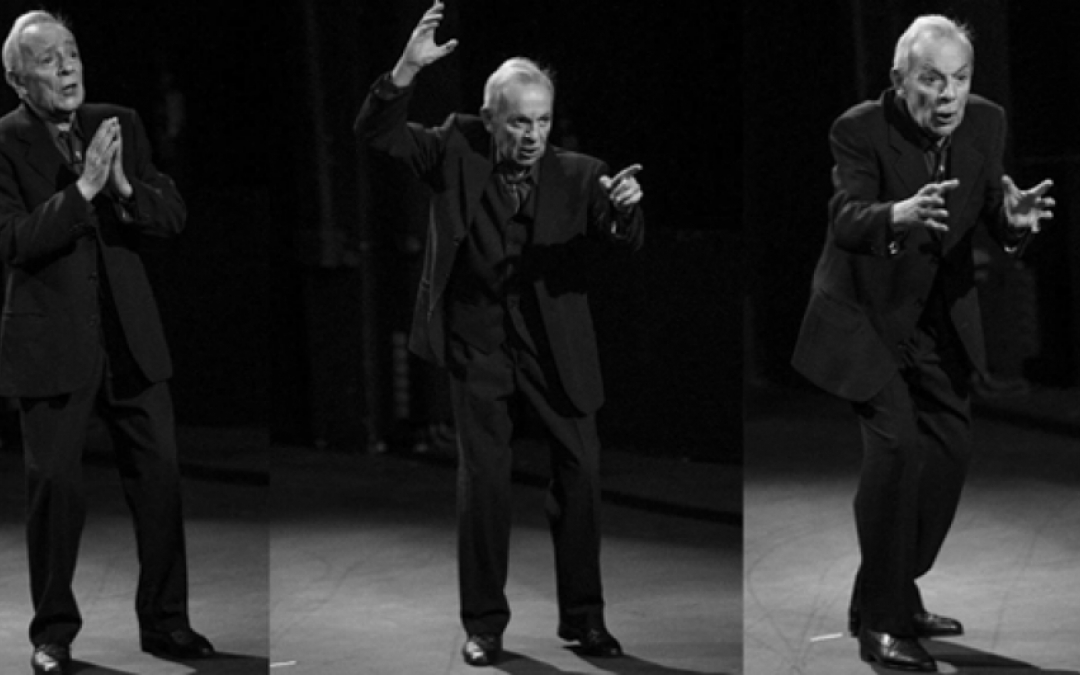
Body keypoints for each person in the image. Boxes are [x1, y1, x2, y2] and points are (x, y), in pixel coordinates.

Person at [356, 1, 644, 667]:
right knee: (484, 483)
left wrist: (625, 213)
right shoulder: (453, 147)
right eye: (519, 122)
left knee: (581, 471)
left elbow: (621, 238)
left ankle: (585, 620)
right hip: (479, 340)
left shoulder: (581, 173)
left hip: (555, 348)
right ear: (490, 119)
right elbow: (376, 133)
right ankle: (484, 625)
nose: (533, 134)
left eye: (542, 121)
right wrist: (404, 71)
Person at [791, 15, 1054, 673]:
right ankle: (883, 622)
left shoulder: (986, 122)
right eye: (932, 80)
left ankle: (889, 589)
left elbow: (992, 207)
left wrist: (1014, 224)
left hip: (935, 318)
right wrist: (896, 215)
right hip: (864, 316)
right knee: (896, 449)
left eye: (960, 79)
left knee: (949, 451)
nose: (948, 95)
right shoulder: (859, 129)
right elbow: (846, 217)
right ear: (900, 79)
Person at [0, 11, 214, 673]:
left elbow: (171, 215)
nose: (67, 67)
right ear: (18, 81)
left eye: (71, 52)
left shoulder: (118, 122)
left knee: (161, 481)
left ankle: (167, 623)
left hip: (130, 336)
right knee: (55, 491)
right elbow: (13, 241)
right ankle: (52, 636)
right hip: (51, 340)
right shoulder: (4, 141)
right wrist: (84, 190)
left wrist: (121, 187)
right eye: (48, 60)